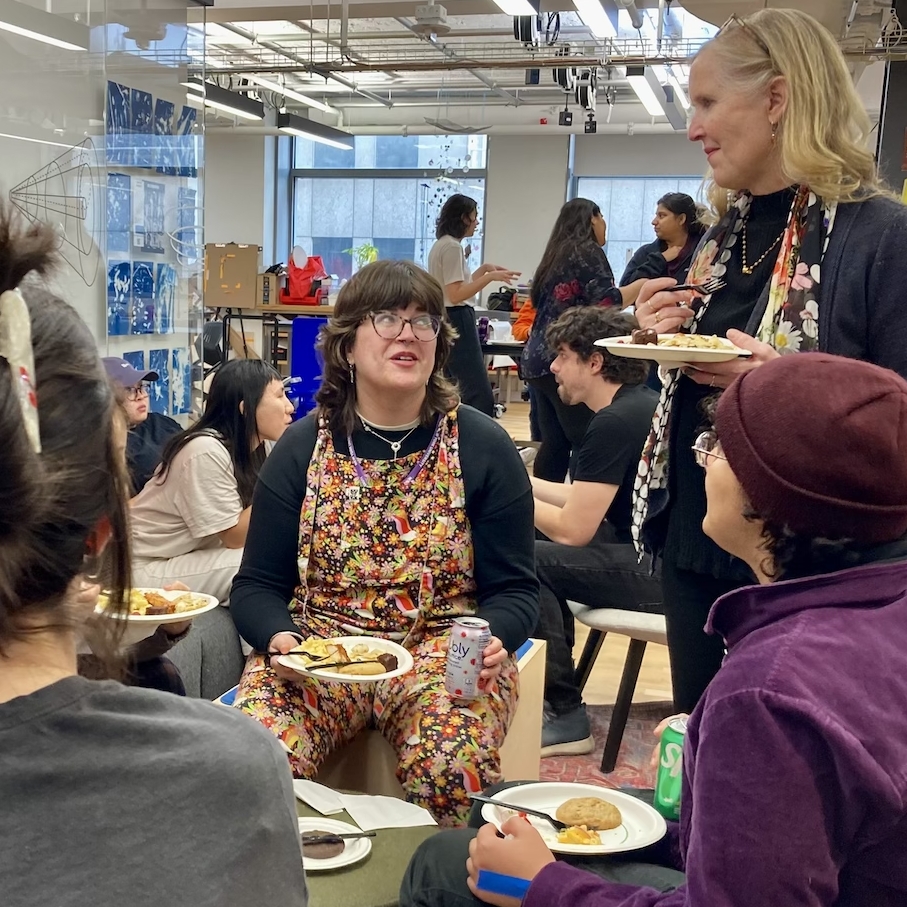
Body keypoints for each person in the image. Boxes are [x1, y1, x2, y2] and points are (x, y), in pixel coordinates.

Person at [401, 352, 907, 907]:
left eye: (719, 448)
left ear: (770, 496)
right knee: (500, 804)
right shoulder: (874, 612)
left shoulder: (768, 693)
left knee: (445, 862)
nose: (703, 462)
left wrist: (546, 887)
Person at [0, 208, 307, 905]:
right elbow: (233, 540)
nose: (288, 401)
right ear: (104, 526)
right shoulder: (231, 769)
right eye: (277, 393)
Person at [630, 8, 907, 714]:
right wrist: (658, 333)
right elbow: (697, 371)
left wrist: (776, 387)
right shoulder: (723, 235)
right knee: (702, 728)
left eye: (706, 103)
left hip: (812, 557)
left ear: (777, 101)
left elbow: (894, 415)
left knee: (787, 747)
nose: (692, 128)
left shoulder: (878, 234)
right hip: (699, 528)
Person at [229, 259, 538, 826]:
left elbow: (518, 590)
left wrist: (497, 638)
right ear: (347, 345)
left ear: (440, 346)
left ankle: (438, 883)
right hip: (321, 652)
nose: (407, 333)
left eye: (424, 323)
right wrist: (280, 639)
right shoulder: (302, 448)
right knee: (249, 755)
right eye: (386, 318)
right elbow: (257, 585)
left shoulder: (483, 445)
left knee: (453, 761)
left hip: (445, 652)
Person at [530, 308, 660, 756]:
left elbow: (573, 531)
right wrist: (516, 480)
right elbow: (581, 500)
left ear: (595, 362)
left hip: (661, 576)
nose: (553, 367)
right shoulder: (635, 405)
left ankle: (564, 712)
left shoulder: (614, 422)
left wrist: (506, 497)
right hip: (653, 559)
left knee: (527, 557)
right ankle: (552, 698)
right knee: (535, 546)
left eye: (563, 355)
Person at [130, 358, 294, 602]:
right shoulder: (205, 450)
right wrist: (284, 480)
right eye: (280, 396)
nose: (289, 407)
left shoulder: (261, 447)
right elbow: (234, 537)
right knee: (256, 564)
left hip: (189, 555)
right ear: (246, 408)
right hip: (144, 566)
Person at [521, 198, 647, 482]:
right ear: (592, 218)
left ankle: (540, 514)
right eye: (603, 219)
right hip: (567, 357)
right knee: (584, 436)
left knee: (555, 441)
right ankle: (584, 511)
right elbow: (605, 302)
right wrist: (640, 287)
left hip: (538, 358)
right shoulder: (588, 251)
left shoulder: (555, 254)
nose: (605, 227)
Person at [428, 193, 520, 417]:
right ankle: (479, 433)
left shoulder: (443, 245)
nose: (477, 222)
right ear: (463, 218)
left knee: (455, 383)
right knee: (476, 389)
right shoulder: (452, 247)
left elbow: (459, 285)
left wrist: (486, 269)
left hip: (445, 316)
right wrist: (490, 278)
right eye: (474, 217)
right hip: (457, 317)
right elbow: (457, 294)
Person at [102, 356, 183, 494]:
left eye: (141, 387)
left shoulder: (163, 423)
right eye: (129, 390)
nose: (141, 396)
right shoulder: (109, 443)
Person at [620, 193, 706, 287]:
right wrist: (660, 260)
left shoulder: (704, 252)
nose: (654, 222)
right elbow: (624, 291)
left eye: (661, 216)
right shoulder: (645, 253)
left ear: (681, 219)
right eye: (656, 215)